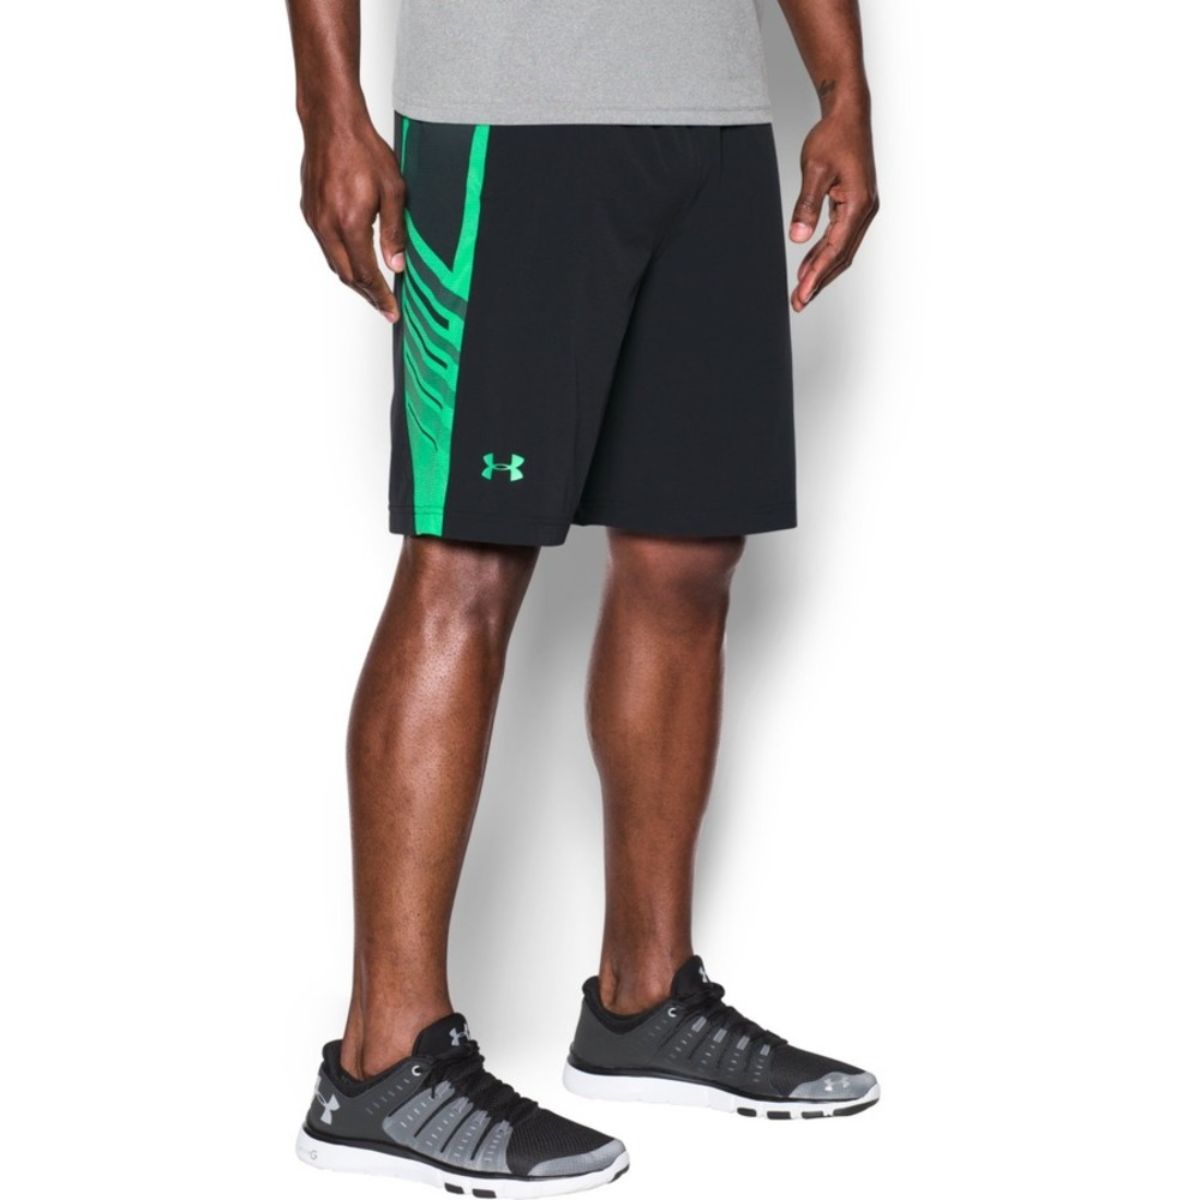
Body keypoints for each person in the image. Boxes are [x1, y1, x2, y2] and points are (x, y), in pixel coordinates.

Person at [285, 0, 880, 1192]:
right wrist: (329, 110)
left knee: (688, 553)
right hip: (509, 113)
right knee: (469, 558)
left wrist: (842, 88)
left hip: (712, 125)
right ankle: (381, 1061)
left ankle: (643, 1002)